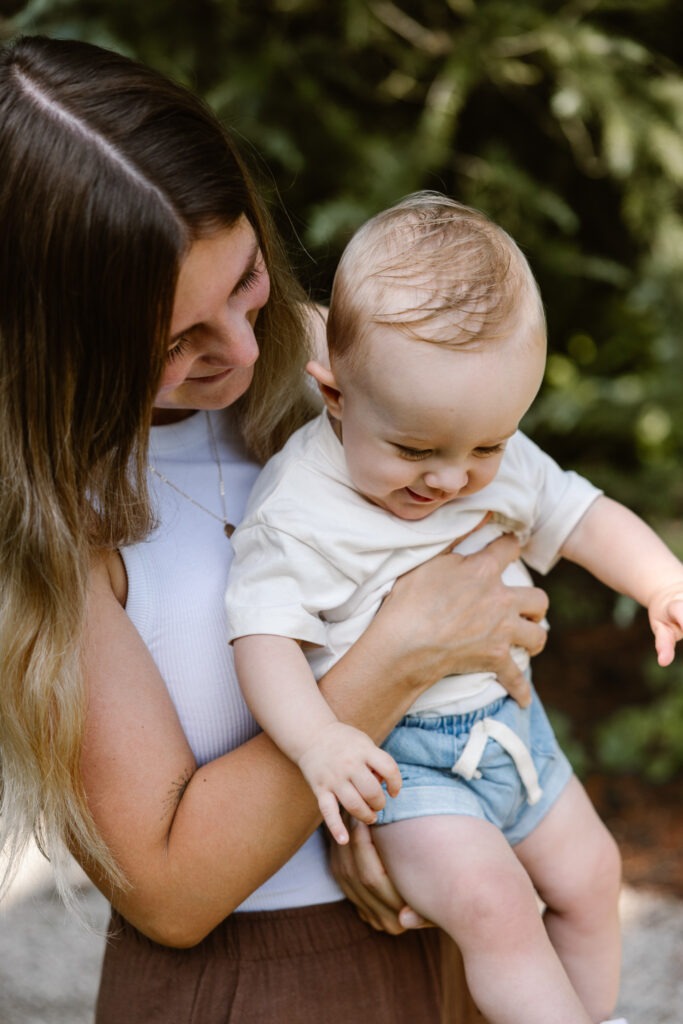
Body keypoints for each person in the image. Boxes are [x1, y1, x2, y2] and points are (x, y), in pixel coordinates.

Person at [0, 37, 554, 1024]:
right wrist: (394, 660)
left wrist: (416, 806)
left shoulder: (340, 367)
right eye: (178, 342)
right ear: (56, 350)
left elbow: (496, 561)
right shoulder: (51, 532)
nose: (248, 350)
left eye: (247, 278)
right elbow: (168, 887)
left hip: (444, 935)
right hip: (252, 986)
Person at [225, 193, 683, 1023]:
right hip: (406, 768)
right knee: (497, 906)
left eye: (486, 447)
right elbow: (261, 637)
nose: (449, 478)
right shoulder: (297, 508)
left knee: (591, 877)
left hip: (515, 731)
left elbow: (579, 514)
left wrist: (660, 581)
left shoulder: (483, 452)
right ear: (334, 395)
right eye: (412, 451)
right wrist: (319, 739)